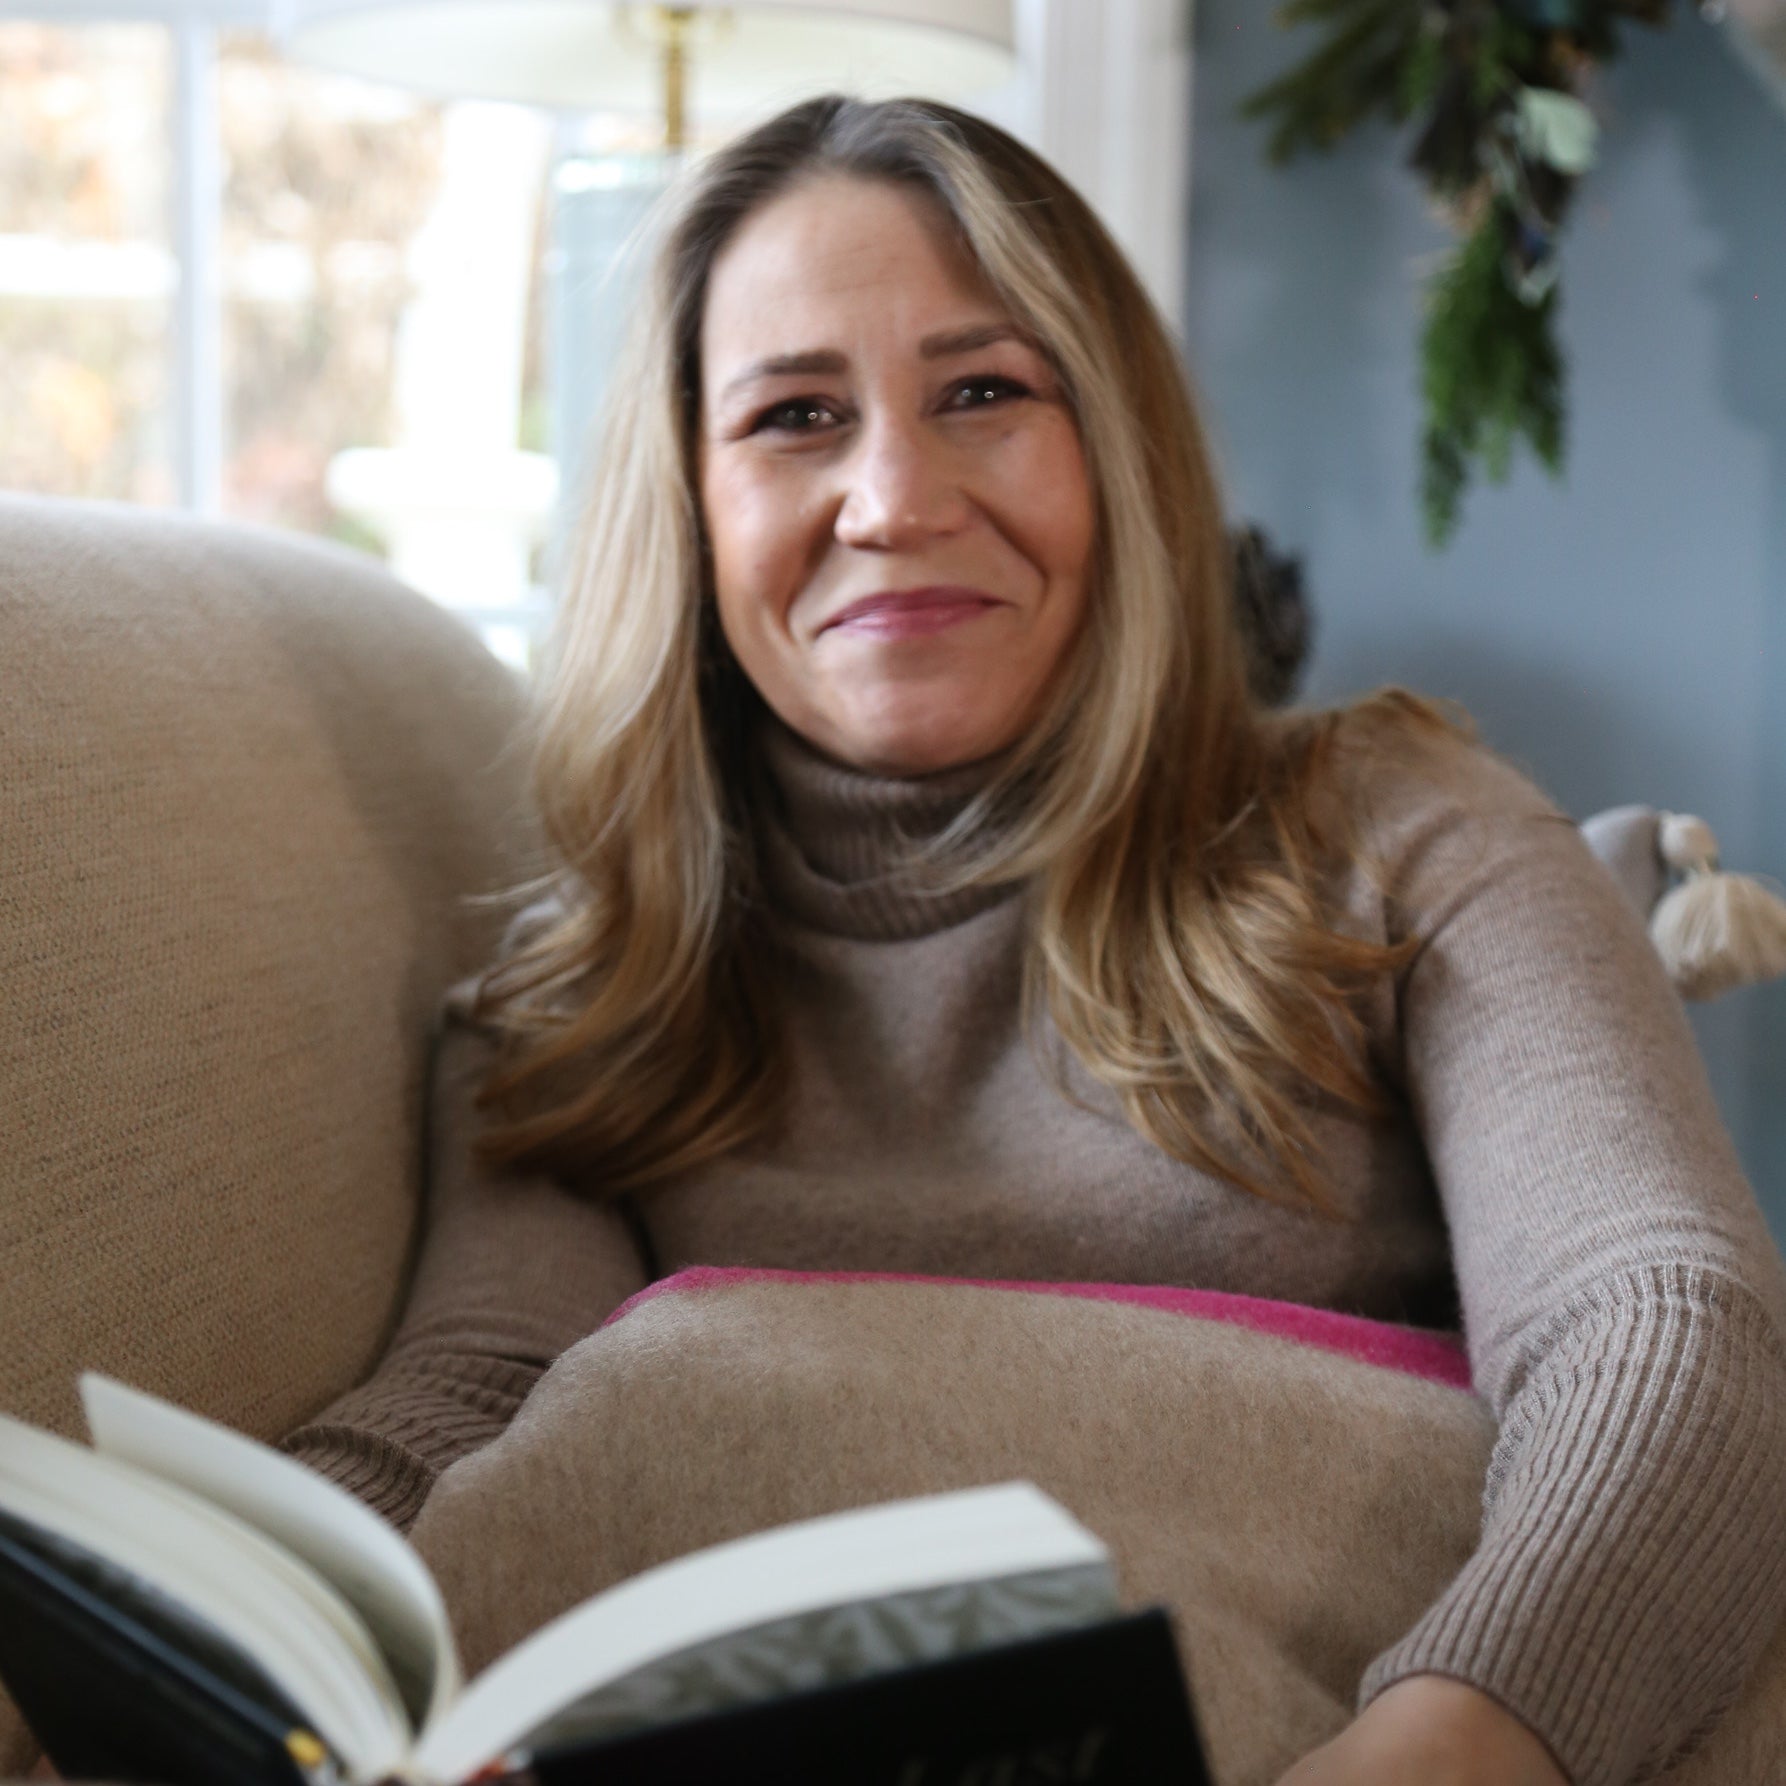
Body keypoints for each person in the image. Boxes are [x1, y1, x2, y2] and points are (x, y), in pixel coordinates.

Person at [281, 95, 1786, 1786]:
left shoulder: (1405, 823)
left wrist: (1454, 1742)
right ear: (691, 512)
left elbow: (1656, 1315)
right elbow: (465, 1417)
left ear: (1118, 452)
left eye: (984, 393)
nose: (893, 498)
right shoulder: (583, 994)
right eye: (793, 416)